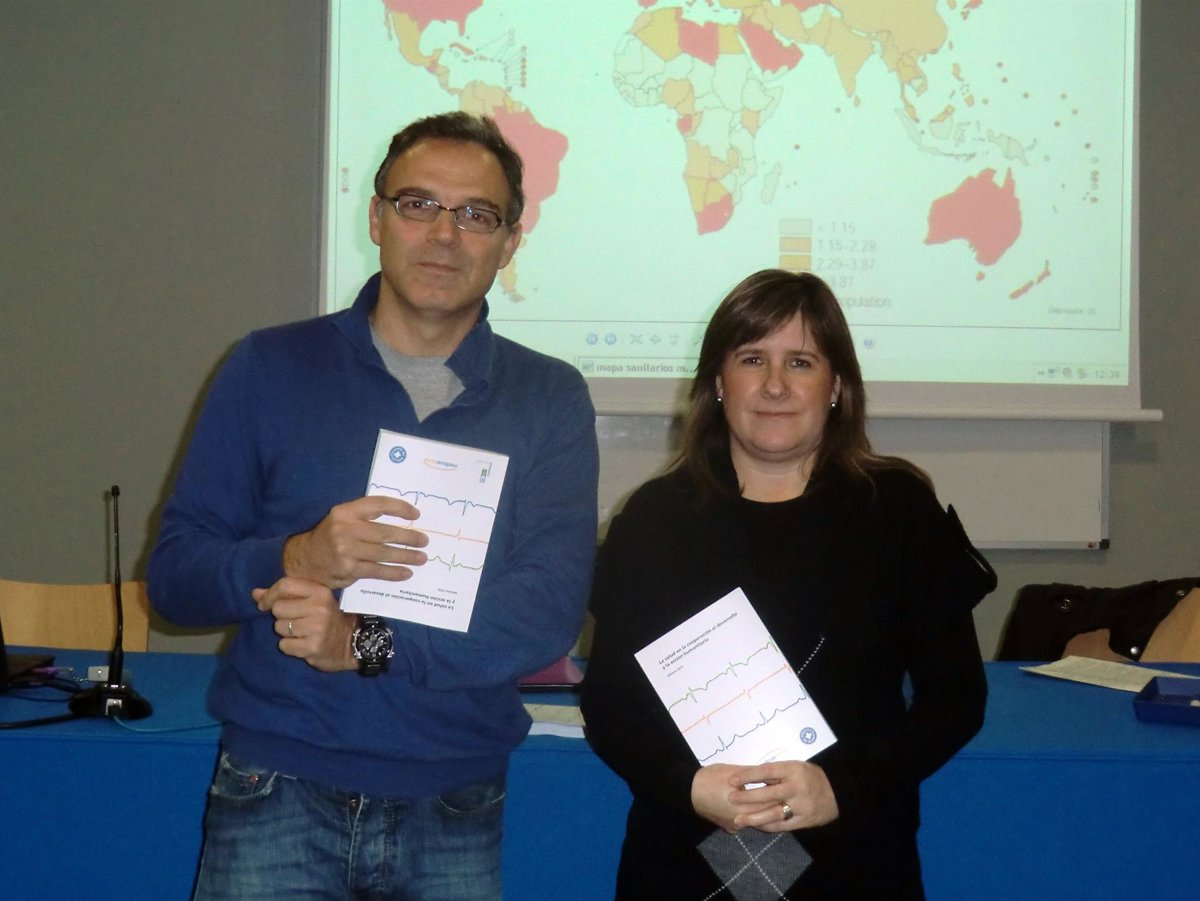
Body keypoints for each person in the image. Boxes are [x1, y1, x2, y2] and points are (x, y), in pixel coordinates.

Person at [148, 112, 599, 899]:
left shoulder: (548, 396)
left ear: (509, 242)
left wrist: (364, 641)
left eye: (477, 214)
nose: (444, 235)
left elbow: (547, 610)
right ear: (376, 217)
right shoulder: (268, 366)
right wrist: (296, 557)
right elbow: (174, 579)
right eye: (419, 204)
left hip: (455, 799)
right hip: (275, 785)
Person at [579, 269, 995, 900]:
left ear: (837, 386)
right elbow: (610, 705)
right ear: (719, 383)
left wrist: (841, 788)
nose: (775, 385)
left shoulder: (898, 510)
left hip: (854, 856)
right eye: (752, 359)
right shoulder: (654, 519)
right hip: (685, 858)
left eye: (801, 362)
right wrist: (689, 786)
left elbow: (956, 699)